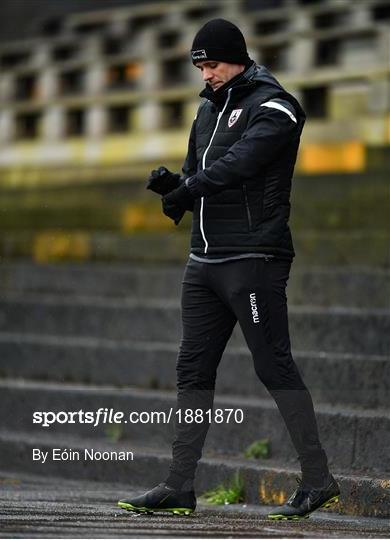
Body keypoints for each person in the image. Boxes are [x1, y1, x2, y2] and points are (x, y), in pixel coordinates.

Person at [118, 18, 340, 520]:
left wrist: (190, 188)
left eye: (212, 63)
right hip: (204, 264)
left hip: (254, 261)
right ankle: (178, 486)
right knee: (192, 369)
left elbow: (241, 164)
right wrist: (174, 190)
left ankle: (319, 478)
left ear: (238, 58)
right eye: (199, 65)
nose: (206, 74)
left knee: (273, 365)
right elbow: (200, 173)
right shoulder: (207, 109)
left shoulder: (276, 106)